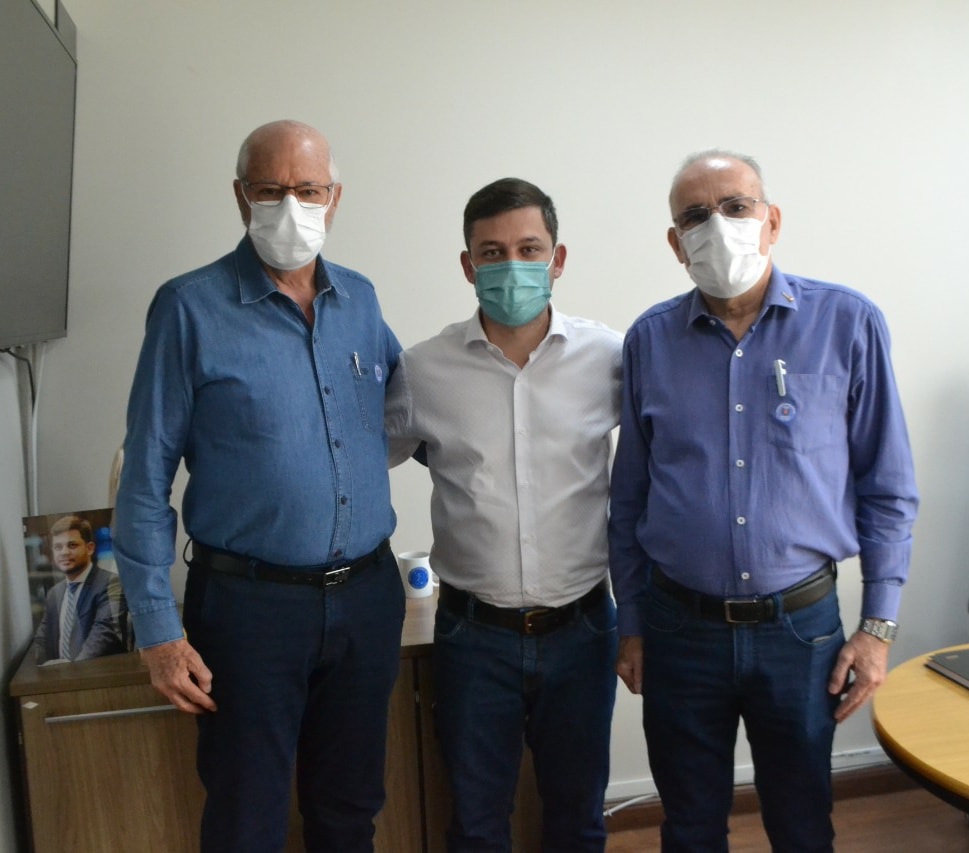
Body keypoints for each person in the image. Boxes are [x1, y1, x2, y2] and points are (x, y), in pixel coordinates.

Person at [608, 149, 919, 852]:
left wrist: (877, 629)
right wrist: (632, 623)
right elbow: (628, 497)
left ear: (771, 220)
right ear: (675, 243)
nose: (717, 226)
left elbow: (888, 486)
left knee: (802, 823)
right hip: (678, 629)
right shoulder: (650, 340)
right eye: (695, 216)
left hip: (799, 630)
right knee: (689, 826)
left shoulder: (847, 323)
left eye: (735, 206)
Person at [113, 120, 404, 853]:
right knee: (247, 816)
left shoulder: (361, 300)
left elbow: (414, 410)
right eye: (270, 190)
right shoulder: (189, 307)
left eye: (307, 189)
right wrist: (157, 630)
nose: (290, 207)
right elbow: (145, 476)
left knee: (350, 809)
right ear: (241, 196)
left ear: (334, 197)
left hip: (367, 598)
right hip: (249, 609)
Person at [385, 178, 621, 852]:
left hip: (582, 629)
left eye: (528, 248)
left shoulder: (608, 358)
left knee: (578, 818)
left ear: (557, 258)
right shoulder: (423, 371)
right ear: (468, 265)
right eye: (492, 252)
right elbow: (364, 462)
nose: (511, 265)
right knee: (476, 823)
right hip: (472, 635)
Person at [32, 514, 125, 664]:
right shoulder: (54, 593)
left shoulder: (111, 582)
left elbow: (105, 633)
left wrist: (72, 669)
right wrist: (43, 667)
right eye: (58, 547)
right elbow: (41, 639)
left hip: (96, 673)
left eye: (72, 545)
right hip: (57, 674)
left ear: (90, 548)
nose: (64, 552)